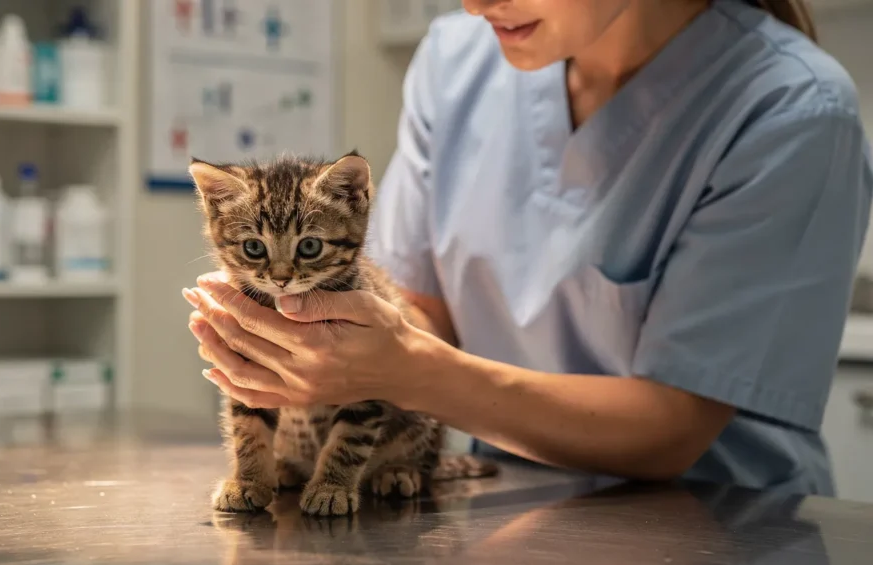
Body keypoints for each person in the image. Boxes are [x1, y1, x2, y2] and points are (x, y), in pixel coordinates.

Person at [183, 0, 873, 496]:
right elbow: (420, 313)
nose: (476, 3)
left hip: (717, 527)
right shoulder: (455, 64)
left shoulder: (789, 108)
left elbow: (673, 427)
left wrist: (406, 370)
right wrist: (313, 349)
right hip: (510, 500)